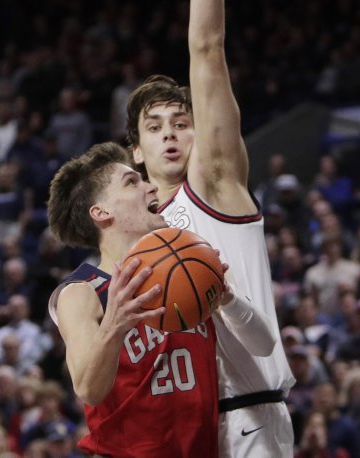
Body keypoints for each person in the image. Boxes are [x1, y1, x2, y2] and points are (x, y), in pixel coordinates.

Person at [126, 0, 294, 455]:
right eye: (155, 126)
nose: (170, 134)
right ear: (136, 150)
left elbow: (206, 48)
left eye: (182, 123)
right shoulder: (134, 235)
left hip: (247, 415)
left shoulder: (215, 187)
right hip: (177, 428)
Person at [46, 142, 274, 457]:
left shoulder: (194, 267)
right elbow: (88, 389)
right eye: (132, 182)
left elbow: (266, 347)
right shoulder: (82, 291)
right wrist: (115, 325)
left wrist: (230, 299)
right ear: (101, 212)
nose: (151, 187)